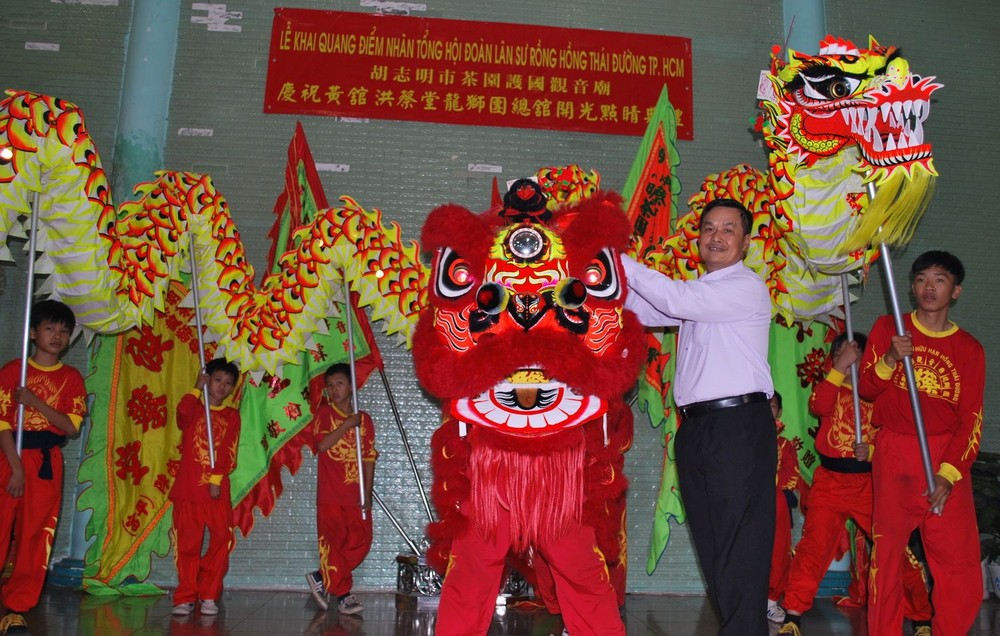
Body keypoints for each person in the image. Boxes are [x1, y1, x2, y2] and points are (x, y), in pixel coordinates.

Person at [621, 198, 776, 635]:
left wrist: (618, 258)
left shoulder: (744, 286)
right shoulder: (701, 294)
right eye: (709, 228)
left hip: (737, 427)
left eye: (728, 229)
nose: (717, 236)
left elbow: (671, 296)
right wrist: (602, 277)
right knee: (713, 545)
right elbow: (647, 309)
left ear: (746, 242)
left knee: (739, 546)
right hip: (697, 429)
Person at [859, 250, 984, 635]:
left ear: (956, 291)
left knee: (959, 566)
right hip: (896, 451)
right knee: (888, 559)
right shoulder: (889, 328)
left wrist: (948, 475)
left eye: (939, 279)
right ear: (911, 288)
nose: (929, 287)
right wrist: (891, 359)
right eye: (921, 279)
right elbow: (865, 388)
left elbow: (972, 420)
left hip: (945, 457)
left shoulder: (969, 349)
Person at [778, 333, 931, 635]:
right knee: (813, 548)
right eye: (841, 354)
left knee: (894, 550)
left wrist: (871, 452)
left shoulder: (879, 393)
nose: (848, 360)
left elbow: (895, 439)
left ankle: (922, 616)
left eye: (855, 355)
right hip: (830, 483)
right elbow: (819, 406)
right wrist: (840, 368)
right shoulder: (830, 387)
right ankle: (792, 616)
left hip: (869, 486)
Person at [0, 300, 86, 635]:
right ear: (34, 332)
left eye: (64, 331)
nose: (57, 336)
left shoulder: (71, 378)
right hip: (9, 457)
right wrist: (15, 466)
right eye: (50, 328)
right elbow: (3, 422)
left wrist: (35, 402)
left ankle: (16, 608)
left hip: (46, 464)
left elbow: (70, 427)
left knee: (34, 536)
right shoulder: (12, 371)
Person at [169, 358, 241, 618]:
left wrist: (215, 479)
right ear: (208, 379)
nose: (223, 386)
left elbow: (228, 450)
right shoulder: (194, 407)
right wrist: (195, 388)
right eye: (218, 379)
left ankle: (209, 593)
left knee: (221, 540)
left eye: (229, 383)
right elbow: (181, 417)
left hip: (216, 492)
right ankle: (186, 596)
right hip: (188, 490)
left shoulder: (232, 416)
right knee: (188, 545)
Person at [304, 364, 377, 615]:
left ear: (351, 386)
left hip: (356, 497)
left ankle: (321, 576)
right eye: (330, 385)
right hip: (330, 496)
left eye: (339, 384)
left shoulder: (364, 419)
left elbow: (369, 458)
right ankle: (344, 595)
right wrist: (347, 425)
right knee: (333, 546)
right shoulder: (324, 413)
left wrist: (367, 494)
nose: (334, 390)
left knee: (361, 543)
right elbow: (322, 445)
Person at [767, 392, 801, 624]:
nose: (767, 410)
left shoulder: (784, 444)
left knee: (778, 553)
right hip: (751, 504)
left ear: (779, 411)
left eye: (771, 406)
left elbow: (791, 474)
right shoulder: (746, 440)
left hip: (775, 503)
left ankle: (770, 601)